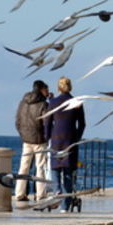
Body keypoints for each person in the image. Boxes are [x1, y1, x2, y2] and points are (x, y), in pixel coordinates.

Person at [43, 76, 84, 212]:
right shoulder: (77, 102)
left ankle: (57, 191)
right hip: (70, 139)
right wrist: (77, 137)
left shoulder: (53, 102)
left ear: (59, 87)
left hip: (56, 139)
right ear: (70, 86)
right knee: (68, 172)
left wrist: (47, 137)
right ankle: (64, 206)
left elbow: (48, 122)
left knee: (54, 169)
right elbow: (82, 124)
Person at [14, 80, 50, 201]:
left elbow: (17, 121)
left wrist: (22, 134)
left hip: (26, 139)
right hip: (39, 140)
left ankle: (19, 193)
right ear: (41, 90)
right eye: (46, 89)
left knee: (23, 166)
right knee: (40, 167)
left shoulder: (23, 102)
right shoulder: (43, 104)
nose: (48, 92)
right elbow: (47, 123)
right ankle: (40, 194)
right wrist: (46, 137)